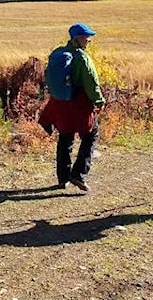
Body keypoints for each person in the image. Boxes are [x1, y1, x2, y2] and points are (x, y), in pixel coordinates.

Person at [38, 23, 105, 192]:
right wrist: (99, 101)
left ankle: (63, 178)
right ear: (77, 38)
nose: (89, 40)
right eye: (86, 37)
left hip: (61, 104)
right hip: (80, 104)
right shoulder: (82, 58)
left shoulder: (58, 53)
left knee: (65, 138)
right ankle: (79, 175)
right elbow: (91, 83)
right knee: (91, 136)